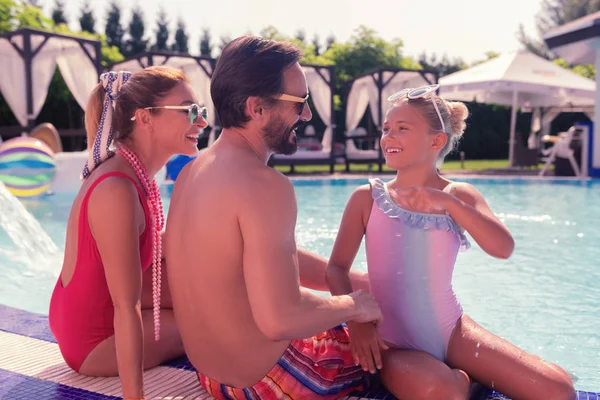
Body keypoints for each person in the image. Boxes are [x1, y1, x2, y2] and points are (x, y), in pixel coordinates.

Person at [165, 36, 383, 400]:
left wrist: (350, 280)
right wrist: (357, 304)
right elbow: (280, 318)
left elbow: (255, 259)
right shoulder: (265, 185)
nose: (308, 115)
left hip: (212, 376)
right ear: (257, 108)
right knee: (394, 342)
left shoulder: (193, 172)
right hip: (270, 382)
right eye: (300, 103)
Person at [326, 84, 576, 400]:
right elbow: (335, 269)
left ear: (436, 140)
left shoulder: (459, 194)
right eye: (387, 128)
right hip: (392, 342)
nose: (388, 137)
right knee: (441, 391)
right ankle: (462, 381)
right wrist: (357, 322)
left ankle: (468, 375)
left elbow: (503, 247)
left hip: (452, 332)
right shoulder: (367, 198)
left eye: (402, 128)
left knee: (558, 391)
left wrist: (450, 205)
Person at [49, 66, 208, 400]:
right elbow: (126, 306)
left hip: (93, 311)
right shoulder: (117, 191)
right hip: (93, 340)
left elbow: (171, 248)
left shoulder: (135, 175)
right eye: (191, 111)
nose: (202, 122)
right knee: (208, 321)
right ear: (145, 118)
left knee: (213, 287)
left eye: (202, 111)